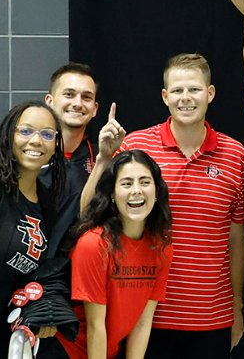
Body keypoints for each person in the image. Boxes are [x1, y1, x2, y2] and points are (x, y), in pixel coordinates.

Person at [93, 54, 244, 359]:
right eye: (177, 91)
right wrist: (102, 159)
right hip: (146, 317)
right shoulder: (136, 147)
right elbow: (91, 214)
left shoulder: (235, 155)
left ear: (210, 93)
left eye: (194, 89)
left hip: (211, 318)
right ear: (165, 96)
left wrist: (237, 307)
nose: (185, 98)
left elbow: (236, 238)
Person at [0, 102, 72, 358]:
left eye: (47, 134)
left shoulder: (46, 202)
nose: (36, 141)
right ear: (9, 135)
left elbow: (33, 272)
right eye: (26, 131)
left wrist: (42, 308)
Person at [59, 150, 174, 359]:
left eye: (145, 182)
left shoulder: (161, 246)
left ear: (157, 191)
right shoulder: (93, 244)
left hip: (109, 351)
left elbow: (142, 322)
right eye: (127, 183)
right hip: (71, 352)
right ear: (112, 193)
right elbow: (96, 325)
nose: (137, 191)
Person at [44, 63, 101, 195]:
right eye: (69, 94)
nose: (77, 104)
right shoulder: (30, 154)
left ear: (95, 109)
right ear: (49, 101)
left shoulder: (101, 159)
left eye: (86, 97)